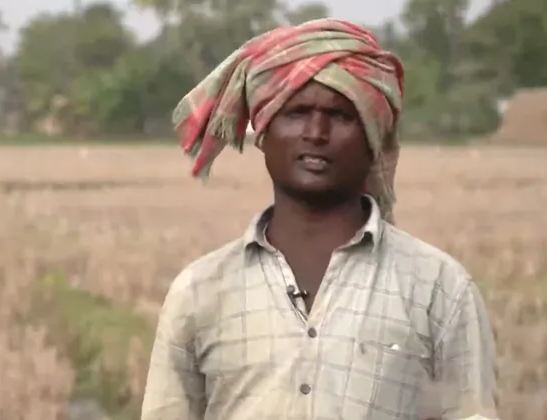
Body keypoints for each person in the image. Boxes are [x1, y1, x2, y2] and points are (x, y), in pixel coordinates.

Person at [141, 19, 498, 420]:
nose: (316, 132)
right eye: (296, 112)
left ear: (372, 137)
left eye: (341, 116)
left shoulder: (439, 288)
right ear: (264, 132)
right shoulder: (199, 291)